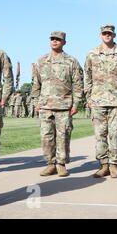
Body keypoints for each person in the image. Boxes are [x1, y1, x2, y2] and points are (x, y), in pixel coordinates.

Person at [32, 31, 84, 177]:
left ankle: (61, 164)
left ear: (64, 42)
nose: (55, 41)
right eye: (52, 39)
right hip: (45, 105)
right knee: (46, 137)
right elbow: (36, 83)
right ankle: (50, 163)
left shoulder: (71, 61)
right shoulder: (41, 61)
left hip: (63, 106)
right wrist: (36, 102)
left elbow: (78, 84)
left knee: (63, 137)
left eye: (58, 40)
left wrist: (76, 104)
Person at [84, 25, 117, 179]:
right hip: (97, 100)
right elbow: (88, 77)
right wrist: (88, 97)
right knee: (100, 135)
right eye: (104, 33)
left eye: (109, 33)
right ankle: (103, 165)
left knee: (115, 134)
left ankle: (114, 165)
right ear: (100, 35)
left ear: (114, 35)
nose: (107, 35)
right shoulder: (92, 53)